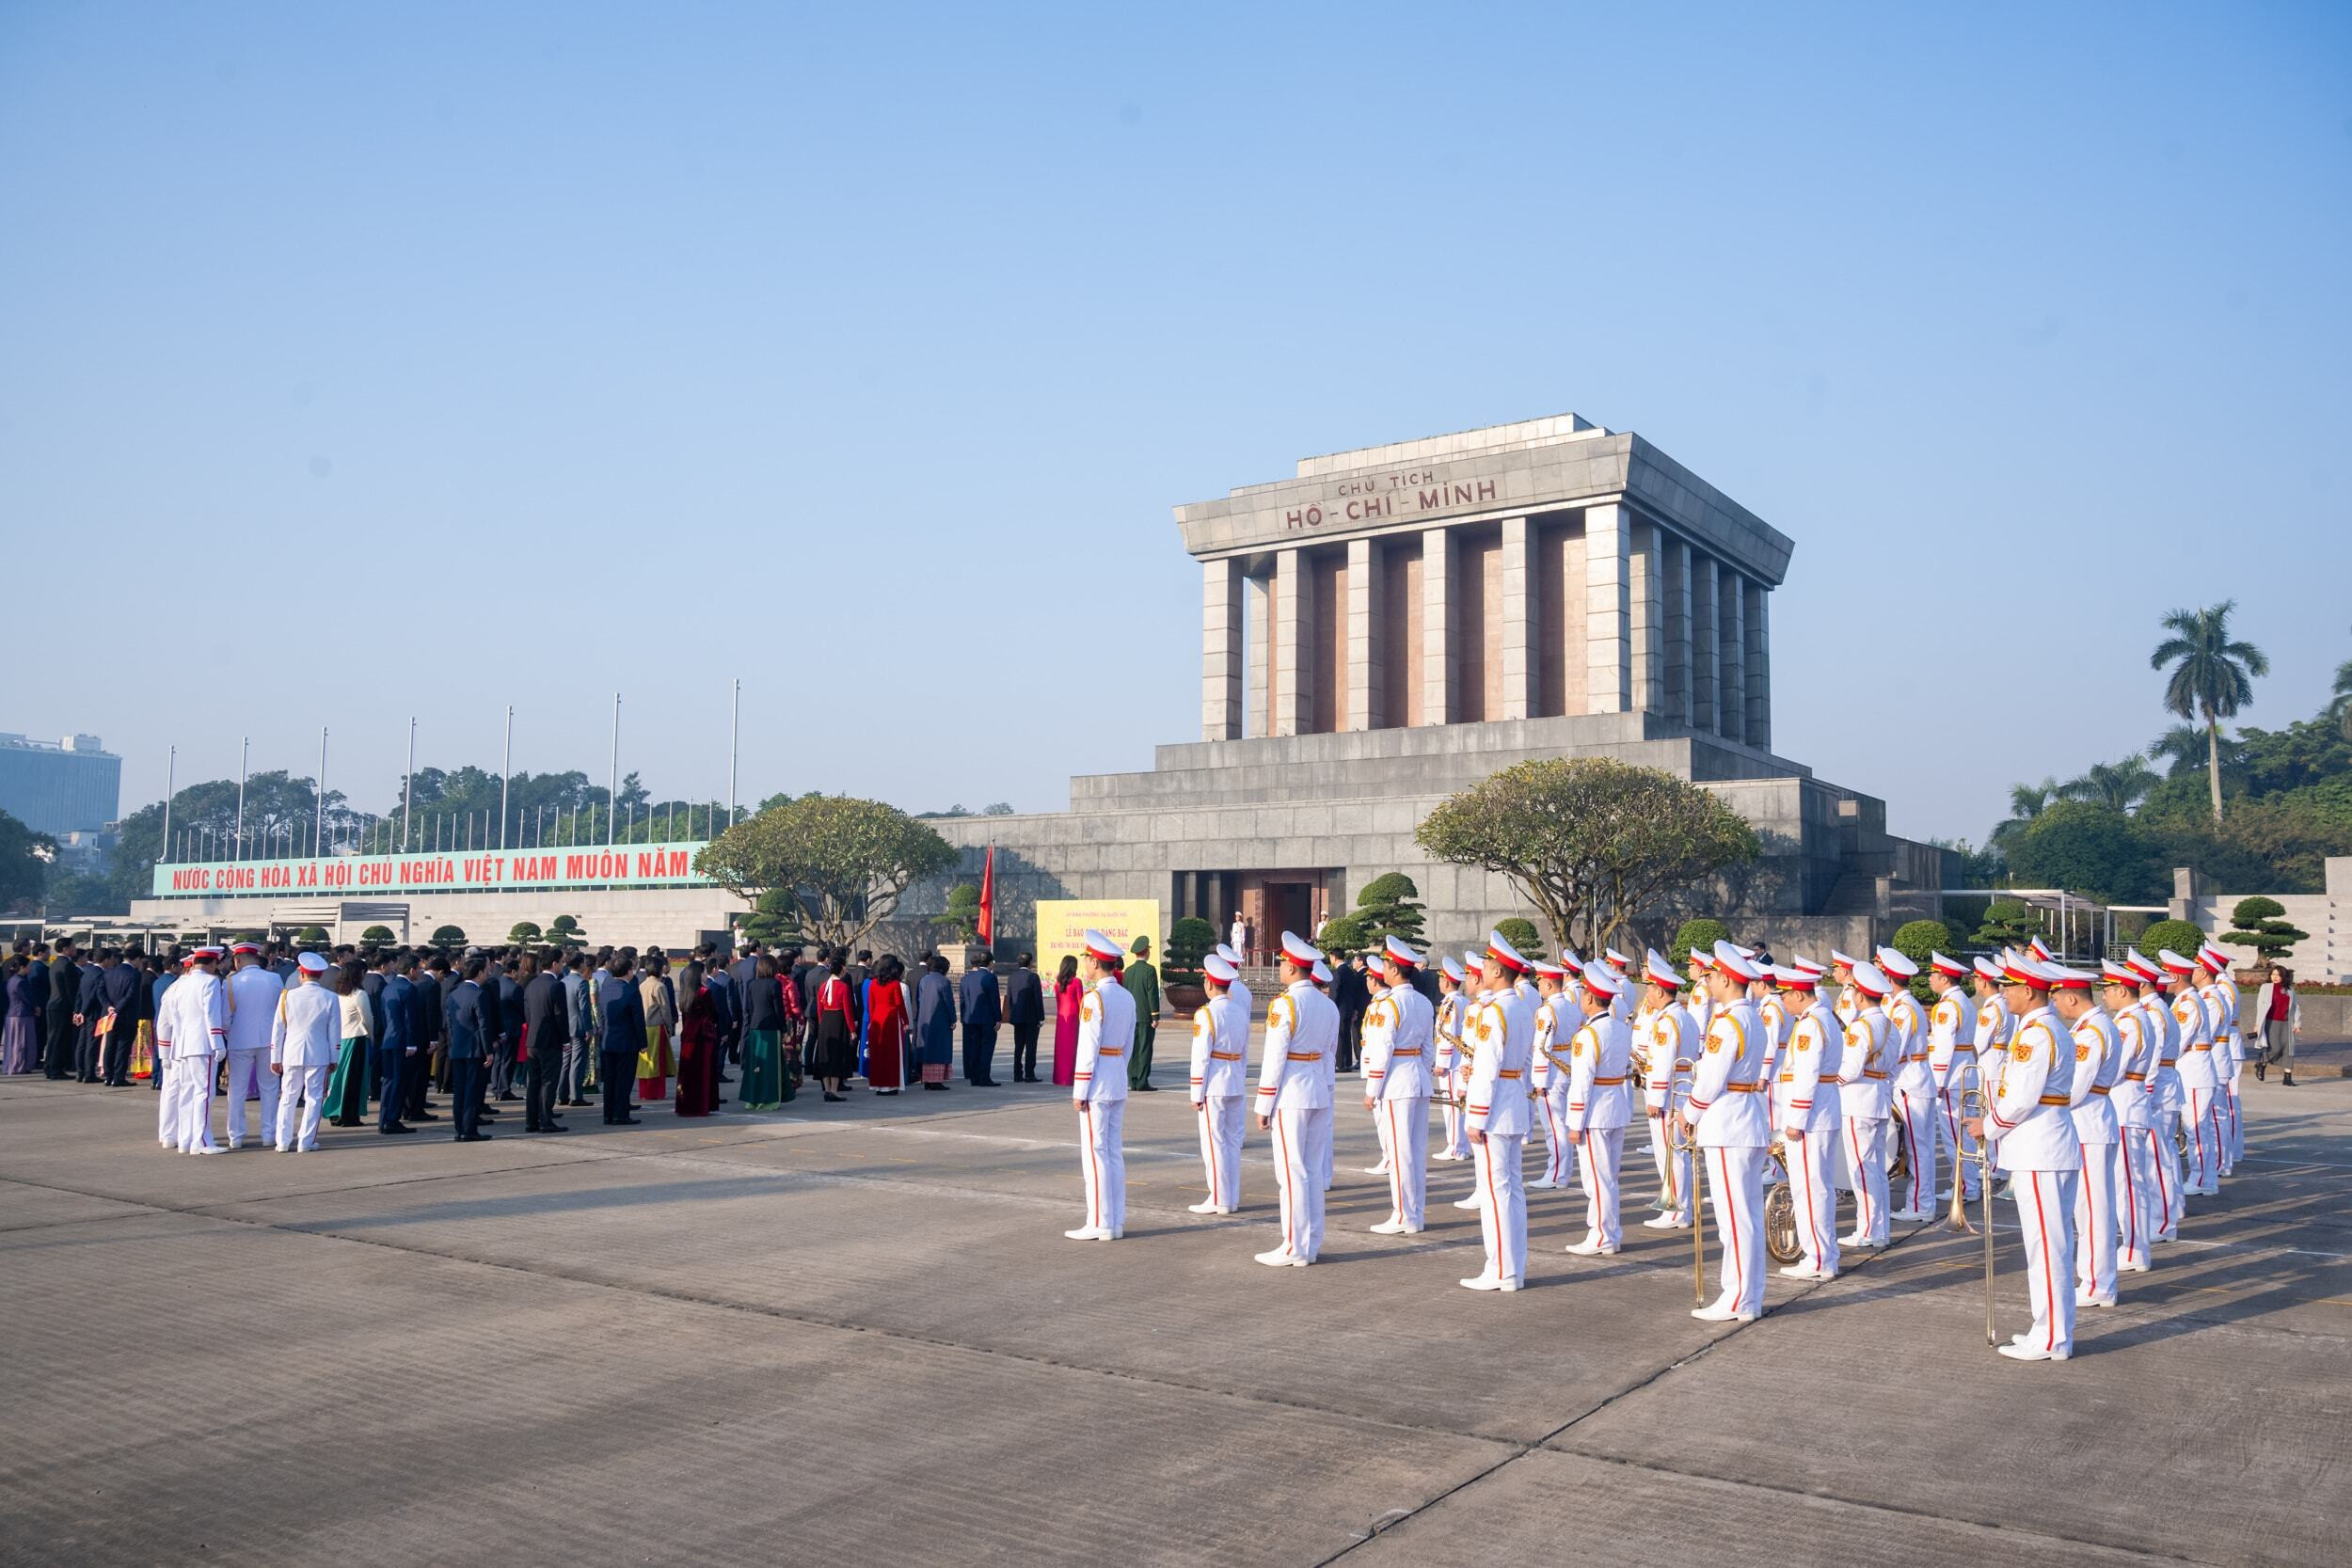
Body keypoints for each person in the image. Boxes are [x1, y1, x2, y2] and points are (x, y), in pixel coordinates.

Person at [1963, 957, 2082, 1362]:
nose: (2004, 994)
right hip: (2042, 1148)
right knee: (2046, 1245)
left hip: (2041, 1149)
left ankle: (2052, 1339)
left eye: (2009, 987)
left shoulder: (2036, 1034)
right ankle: (2047, 1330)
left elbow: (2020, 1099)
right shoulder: (2040, 1029)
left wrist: (1988, 1126)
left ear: (2028, 991)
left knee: (2047, 1247)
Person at [1682, 942, 1771, 1321]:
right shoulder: (1751, 1017)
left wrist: (1688, 1112)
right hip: (1745, 1119)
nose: (1708, 981)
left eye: (1712, 975)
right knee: (1745, 1216)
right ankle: (1747, 1297)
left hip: (1727, 1123)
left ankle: (1738, 1298)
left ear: (1725, 978)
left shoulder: (1728, 1022)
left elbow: (1711, 1080)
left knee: (1734, 1220)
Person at [1455, 932, 1534, 1291]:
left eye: (1486, 966)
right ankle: (1512, 1266)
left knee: (1495, 1191)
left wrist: (1475, 1117)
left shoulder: (1495, 1011)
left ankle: (1500, 1269)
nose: (1481, 971)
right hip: (1513, 1098)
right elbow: (1523, 1061)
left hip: (1496, 1105)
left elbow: (1488, 1067)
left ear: (1498, 972)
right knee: (1511, 1190)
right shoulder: (1520, 1007)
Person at [2053, 964, 2122, 1309]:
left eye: (2057, 997)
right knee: (2088, 1207)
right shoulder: (2093, 1027)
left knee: (2093, 1209)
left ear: (2071, 997)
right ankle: (2095, 1279)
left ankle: (2099, 1283)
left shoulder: (2091, 1032)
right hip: (2091, 1122)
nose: (2056, 1005)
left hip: (2089, 1123)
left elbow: (2075, 1088)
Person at [1772, 962, 1841, 1279]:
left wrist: (1795, 1119)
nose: (1782, 1002)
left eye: (1784, 994)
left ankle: (1819, 1259)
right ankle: (1822, 1254)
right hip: (1820, 1113)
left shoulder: (1810, 1025)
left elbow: (1806, 1074)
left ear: (1798, 995)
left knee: (1809, 1188)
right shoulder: (1821, 1019)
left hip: (1811, 1118)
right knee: (1816, 1186)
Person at [1560, 959, 1633, 1257]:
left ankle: (1602, 1233)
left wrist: (1575, 1122)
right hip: (1616, 1105)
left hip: (1595, 1112)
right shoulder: (1620, 1028)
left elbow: (1582, 1082)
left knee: (1597, 1178)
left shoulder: (1588, 1035)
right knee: (1608, 1176)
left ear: (1590, 998)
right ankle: (1609, 1232)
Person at [1361, 937, 1434, 1235]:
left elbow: (1383, 1048)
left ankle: (1404, 1214)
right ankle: (1414, 1212)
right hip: (1417, 1077)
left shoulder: (1389, 1004)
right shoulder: (1423, 1001)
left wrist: (1372, 1089)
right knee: (1415, 1151)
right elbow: (1429, 1047)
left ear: (1392, 969)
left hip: (1396, 1082)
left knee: (1400, 1151)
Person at [1066, 930, 1136, 1242]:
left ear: (1095, 962)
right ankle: (1115, 1220)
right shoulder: (1126, 996)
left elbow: (1087, 1047)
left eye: (1087, 960)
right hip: (1117, 1076)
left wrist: (1080, 1090)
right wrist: (1120, 1070)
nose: (1086, 966)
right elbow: (1129, 1043)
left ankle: (1099, 1222)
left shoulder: (1095, 998)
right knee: (1112, 1153)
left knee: (1095, 1154)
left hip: (1097, 1082)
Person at [1837, 961, 1896, 1250]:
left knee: (1861, 1168)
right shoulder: (1889, 1024)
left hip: (1858, 1099)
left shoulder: (1860, 1026)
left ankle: (1868, 1229)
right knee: (1875, 1168)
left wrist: (1828, 1082)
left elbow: (1850, 1070)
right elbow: (1893, 1065)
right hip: (1879, 1097)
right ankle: (1879, 1228)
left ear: (1860, 996)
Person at [1186, 951, 1250, 1217]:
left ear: (1210, 984)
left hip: (1214, 1083)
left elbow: (1201, 1056)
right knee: (1232, 1142)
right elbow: (1245, 1051)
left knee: (1214, 1143)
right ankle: (1230, 1197)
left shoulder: (1207, 1014)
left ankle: (1218, 1198)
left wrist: (1195, 1092)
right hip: (1235, 1078)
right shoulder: (1239, 1010)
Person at [269, 952, 340, 1153]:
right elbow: (334, 1031)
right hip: (318, 1053)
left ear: (301, 973)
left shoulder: (288, 996)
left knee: (288, 1097)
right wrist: (334, 1057)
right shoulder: (331, 997)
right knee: (314, 1097)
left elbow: (278, 1028)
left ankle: (282, 1142)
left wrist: (275, 1056)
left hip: (291, 1052)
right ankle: (305, 1141)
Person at [221, 942, 285, 1150]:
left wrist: (229, 1034)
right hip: (269, 1040)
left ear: (237, 960)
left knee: (237, 1089)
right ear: (256, 958)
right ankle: (269, 1134)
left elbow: (225, 1017)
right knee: (269, 1088)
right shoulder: (274, 979)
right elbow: (280, 1013)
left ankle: (236, 1136)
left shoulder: (231, 982)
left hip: (239, 1040)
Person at [521, 952, 570, 1132]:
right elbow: (560, 1015)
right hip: (550, 1041)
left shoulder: (532, 983)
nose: (563, 966)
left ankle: (531, 1121)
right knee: (548, 1082)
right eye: (562, 963)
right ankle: (545, 1120)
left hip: (532, 1038)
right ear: (555, 963)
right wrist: (565, 1039)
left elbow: (526, 1011)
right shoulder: (556, 986)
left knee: (534, 1082)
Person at [739, 955, 795, 1110]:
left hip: (755, 1028)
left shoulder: (751, 984)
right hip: (771, 1029)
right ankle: (769, 1098)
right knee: (771, 1066)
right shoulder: (774, 984)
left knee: (756, 1065)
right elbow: (779, 1010)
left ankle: (753, 1098)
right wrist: (784, 1030)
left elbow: (749, 1008)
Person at [444, 957, 490, 1141]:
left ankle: (459, 1129)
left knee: (460, 1091)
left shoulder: (453, 993)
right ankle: (469, 1129)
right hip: (475, 1049)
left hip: (457, 1048)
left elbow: (449, 1024)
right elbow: (483, 1026)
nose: (487, 974)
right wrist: (489, 1051)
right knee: (472, 1090)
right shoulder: (479, 994)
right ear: (479, 973)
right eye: (485, 971)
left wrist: (454, 1044)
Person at [597, 953, 645, 1125]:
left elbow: (601, 1016)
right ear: (629, 971)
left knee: (610, 1079)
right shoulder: (631, 991)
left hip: (608, 1040)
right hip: (626, 1042)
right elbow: (638, 1019)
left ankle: (608, 1114)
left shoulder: (605, 989)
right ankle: (621, 1114)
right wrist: (643, 1043)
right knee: (624, 1080)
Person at [325, 960, 372, 1126]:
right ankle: (349, 1115)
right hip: (356, 1039)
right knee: (353, 1079)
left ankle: (335, 1112)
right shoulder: (359, 994)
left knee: (337, 1078)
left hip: (339, 1039)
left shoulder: (336, 994)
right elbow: (367, 1019)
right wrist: (371, 1036)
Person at [377, 954, 417, 1136]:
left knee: (388, 1081)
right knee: (399, 1081)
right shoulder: (409, 989)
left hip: (388, 1039)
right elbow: (410, 1019)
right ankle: (392, 1120)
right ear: (411, 970)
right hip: (402, 1041)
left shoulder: (388, 987)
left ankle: (384, 1119)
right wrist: (411, 1043)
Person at [673, 959, 718, 1117]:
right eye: (704, 971)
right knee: (702, 1072)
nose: (706, 974)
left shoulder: (686, 993)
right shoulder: (704, 992)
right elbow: (713, 1013)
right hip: (702, 1036)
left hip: (688, 1036)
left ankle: (685, 1103)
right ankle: (700, 1105)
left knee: (687, 1072)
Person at [809, 955, 856, 1101]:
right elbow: (848, 1010)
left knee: (825, 1055)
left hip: (826, 1021)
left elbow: (819, 1009)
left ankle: (828, 1089)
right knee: (837, 1056)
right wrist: (852, 1030)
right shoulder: (843, 986)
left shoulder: (824, 986)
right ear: (842, 968)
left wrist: (822, 1023)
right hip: (838, 1021)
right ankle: (834, 1091)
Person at [866, 955, 909, 1097]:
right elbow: (900, 1004)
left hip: (877, 1019)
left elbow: (870, 1005)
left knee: (877, 1054)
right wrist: (905, 1021)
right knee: (891, 1055)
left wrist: (872, 1021)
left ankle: (878, 1085)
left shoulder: (873, 984)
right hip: (891, 1020)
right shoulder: (894, 984)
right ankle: (890, 1085)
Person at [2250, 964, 2300, 1085]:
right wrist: (2258, 1024)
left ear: (2284, 976)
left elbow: (2295, 1007)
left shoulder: (2290, 990)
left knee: (2288, 1050)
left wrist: (2297, 1023)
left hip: (2287, 1023)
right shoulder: (2266, 987)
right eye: (2273, 974)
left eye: (2278, 975)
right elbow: (2260, 1006)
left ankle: (2287, 1078)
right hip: (2271, 1022)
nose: (2275, 977)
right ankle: (2261, 1063)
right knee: (2275, 1047)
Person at [959, 947, 1002, 1086]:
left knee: (974, 1048)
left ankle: (974, 1077)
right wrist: (998, 1018)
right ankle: (984, 1078)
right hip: (987, 1019)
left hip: (970, 1019)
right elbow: (995, 999)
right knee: (986, 1048)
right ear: (990, 963)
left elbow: (962, 1000)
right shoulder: (990, 977)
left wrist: (964, 1018)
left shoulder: (966, 978)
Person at [914, 954, 956, 1090]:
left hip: (924, 1018)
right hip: (940, 1020)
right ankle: (936, 1080)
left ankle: (927, 1079)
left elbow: (919, 1000)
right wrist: (953, 1019)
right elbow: (949, 1002)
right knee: (939, 1049)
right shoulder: (944, 982)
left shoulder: (924, 980)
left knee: (927, 1049)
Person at [637, 954, 675, 1101]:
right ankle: (655, 1092)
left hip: (644, 1027)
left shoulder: (641, 985)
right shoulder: (660, 986)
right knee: (657, 1061)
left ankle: (644, 1091)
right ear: (660, 970)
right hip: (656, 1027)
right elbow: (665, 1009)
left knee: (645, 1060)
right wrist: (669, 1027)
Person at [1123, 936, 1160, 1091]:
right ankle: (1142, 1081)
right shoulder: (1149, 970)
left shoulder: (1128, 971)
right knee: (1145, 1049)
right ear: (1146, 951)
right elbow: (1152, 994)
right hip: (1145, 1017)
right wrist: (1155, 1016)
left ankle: (1132, 1080)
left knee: (1132, 1049)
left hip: (1131, 1016)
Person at [1005, 952, 1045, 1083]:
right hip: (1031, 1017)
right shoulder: (1033, 977)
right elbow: (1037, 999)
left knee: (1018, 1047)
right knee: (1031, 1047)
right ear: (1030, 963)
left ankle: (1017, 1073)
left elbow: (1009, 998)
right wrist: (1041, 1017)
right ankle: (1029, 1074)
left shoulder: (1012, 977)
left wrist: (1011, 1014)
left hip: (1017, 1017)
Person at [1050, 955, 1082, 1087]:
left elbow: (1058, 1002)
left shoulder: (1058, 983)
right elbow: (1081, 1001)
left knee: (1061, 1049)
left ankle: (1059, 1077)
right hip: (1074, 1017)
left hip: (1062, 1017)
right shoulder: (1076, 982)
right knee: (1072, 1048)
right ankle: (1070, 1077)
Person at [2, 958, 37, 1074]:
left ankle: (14, 1064)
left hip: (13, 1014)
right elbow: (28, 998)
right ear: (22, 967)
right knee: (21, 1042)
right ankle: (19, 1065)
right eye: (28, 966)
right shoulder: (20, 982)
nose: (30, 969)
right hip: (21, 1014)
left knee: (13, 1042)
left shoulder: (12, 980)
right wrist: (35, 1008)